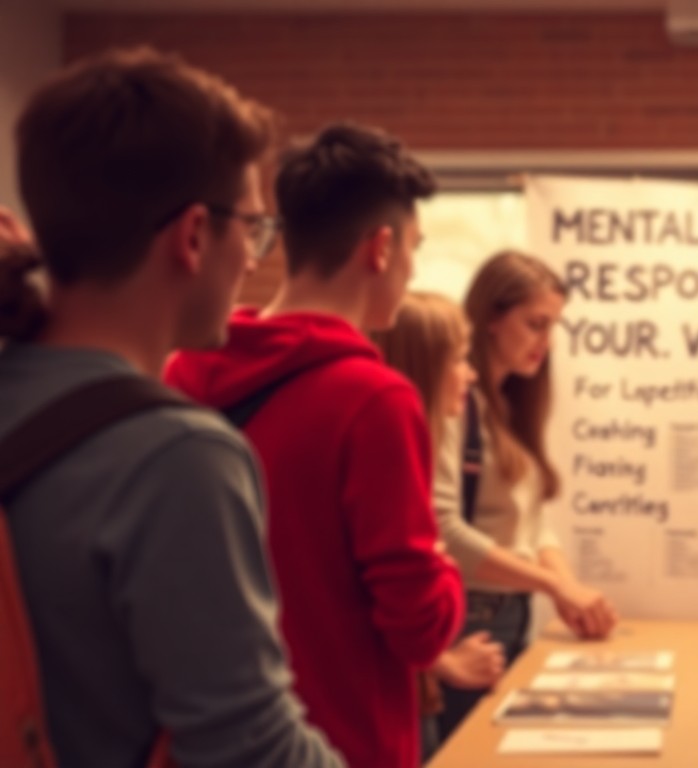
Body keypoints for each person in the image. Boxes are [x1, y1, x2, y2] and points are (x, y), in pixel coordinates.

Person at [0, 48, 343, 767]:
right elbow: (250, 750)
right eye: (252, 227)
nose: (253, 259)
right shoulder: (174, 455)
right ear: (192, 236)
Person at [164, 123, 463, 768]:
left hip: (208, 740)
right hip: (344, 742)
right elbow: (419, 628)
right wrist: (442, 567)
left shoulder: (179, 373)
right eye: (414, 248)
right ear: (381, 248)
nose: (412, 270)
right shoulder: (374, 399)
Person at [433, 249, 618, 739]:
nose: (546, 343)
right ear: (492, 317)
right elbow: (444, 529)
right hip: (468, 621)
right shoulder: (455, 404)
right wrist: (555, 586)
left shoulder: (509, 406)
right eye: (535, 324)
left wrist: (569, 589)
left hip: (512, 614)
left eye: (552, 327)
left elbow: (531, 524)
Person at [369, 290, 506, 756]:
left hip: (417, 685)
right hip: (399, 693)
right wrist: (444, 661)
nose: (470, 374)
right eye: (460, 359)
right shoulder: (392, 459)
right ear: (428, 367)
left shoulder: (421, 445)